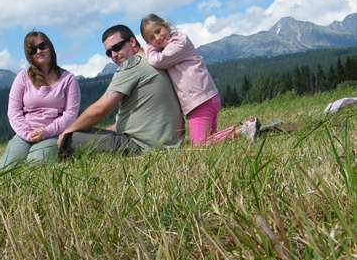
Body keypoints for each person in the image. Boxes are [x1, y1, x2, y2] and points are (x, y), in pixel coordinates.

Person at [57, 24, 184, 156]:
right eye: (108, 53)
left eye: (117, 47)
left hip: (142, 147)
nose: (114, 55)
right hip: (167, 144)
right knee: (92, 132)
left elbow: (100, 109)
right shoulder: (154, 58)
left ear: (132, 41)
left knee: (71, 138)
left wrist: (67, 131)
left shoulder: (131, 65)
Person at [140, 13, 261, 144]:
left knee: (199, 144)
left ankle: (244, 129)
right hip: (205, 98)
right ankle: (246, 128)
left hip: (200, 101)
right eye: (151, 38)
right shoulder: (172, 45)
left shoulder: (179, 43)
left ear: (167, 26)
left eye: (158, 31)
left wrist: (146, 47)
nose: (157, 37)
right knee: (211, 141)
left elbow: (157, 60)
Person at [0, 31, 81, 171]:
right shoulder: (23, 77)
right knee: (5, 170)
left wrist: (46, 132)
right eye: (33, 50)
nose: (39, 51)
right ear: (29, 56)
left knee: (36, 167)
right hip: (26, 134)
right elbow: (13, 112)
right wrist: (28, 134)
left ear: (50, 47)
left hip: (53, 134)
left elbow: (70, 114)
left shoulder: (68, 79)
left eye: (42, 46)